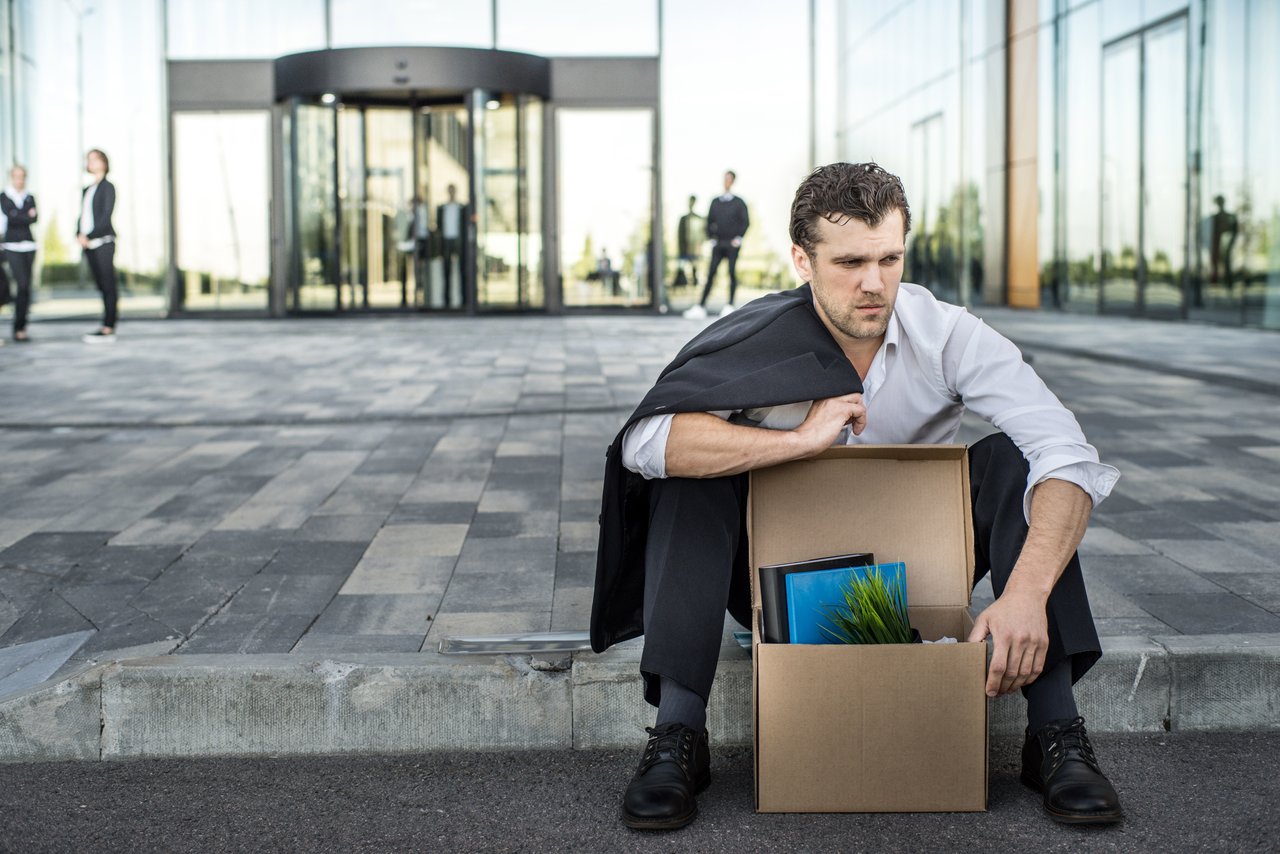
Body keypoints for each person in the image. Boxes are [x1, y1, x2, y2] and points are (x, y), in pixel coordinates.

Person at [593, 162, 1124, 830]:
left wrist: (1024, 594)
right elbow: (645, 442)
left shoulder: (946, 334)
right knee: (690, 478)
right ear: (802, 260)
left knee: (1017, 462)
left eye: (889, 259)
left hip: (914, 570)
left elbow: (1068, 453)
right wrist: (798, 441)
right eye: (849, 262)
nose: (873, 283)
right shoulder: (755, 335)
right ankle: (678, 735)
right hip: (773, 578)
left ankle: (1055, 734)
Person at [683, 171, 749, 320]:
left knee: (731, 273)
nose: (726, 181)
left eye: (729, 179)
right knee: (711, 273)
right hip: (718, 244)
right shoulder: (715, 202)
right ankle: (700, 306)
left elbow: (745, 222)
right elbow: (709, 222)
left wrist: (738, 239)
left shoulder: (739, 203)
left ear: (733, 181)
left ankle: (730, 305)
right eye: (725, 179)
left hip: (732, 244)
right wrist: (711, 239)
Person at [76, 149, 117, 343]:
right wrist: (78, 234)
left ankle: (108, 327)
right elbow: (82, 216)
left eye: (95, 159)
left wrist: (88, 235)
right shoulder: (87, 189)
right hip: (88, 244)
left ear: (104, 162)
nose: (91, 162)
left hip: (103, 242)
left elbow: (105, 217)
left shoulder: (108, 187)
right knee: (101, 285)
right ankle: (105, 324)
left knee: (108, 285)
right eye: (88, 159)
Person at [0, 165, 37, 342]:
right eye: (16, 176)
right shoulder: (4, 196)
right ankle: (17, 326)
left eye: (22, 176)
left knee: (25, 288)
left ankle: (20, 328)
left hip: (29, 246)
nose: (19, 180)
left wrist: (18, 215)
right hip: (11, 246)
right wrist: (25, 215)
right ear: (11, 177)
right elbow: (13, 216)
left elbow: (34, 218)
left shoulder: (30, 196)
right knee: (17, 285)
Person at [437, 184, 466, 309]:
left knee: (462, 271)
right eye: (450, 191)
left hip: (458, 241)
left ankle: (464, 301)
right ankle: (446, 301)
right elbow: (439, 228)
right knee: (446, 272)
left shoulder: (461, 208)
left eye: (453, 191)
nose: (451, 193)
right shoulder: (442, 208)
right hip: (446, 241)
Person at [673, 195, 703, 289]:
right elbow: (680, 235)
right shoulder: (683, 219)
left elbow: (701, 234)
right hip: (684, 248)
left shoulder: (698, 219)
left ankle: (693, 283)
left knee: (694, 268)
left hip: (694, 249)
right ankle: (681, 283)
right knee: (681, 268)